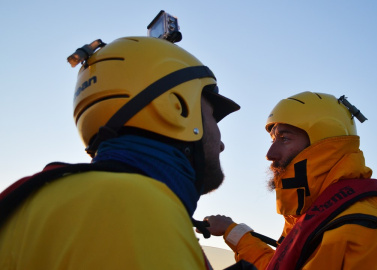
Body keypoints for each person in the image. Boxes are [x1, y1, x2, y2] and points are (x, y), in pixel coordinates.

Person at [0, 36, 240, 269]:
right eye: (212, 118)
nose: (221, 144)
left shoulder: (36, 199)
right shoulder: (137, 210)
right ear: (176, 107)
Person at [203, 91, 377, 270]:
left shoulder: (360, 232)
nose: (270, 153)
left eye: (285, 138)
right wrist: (232, 231)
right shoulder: (320, 216)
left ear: (324, 145)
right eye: (272, 139)